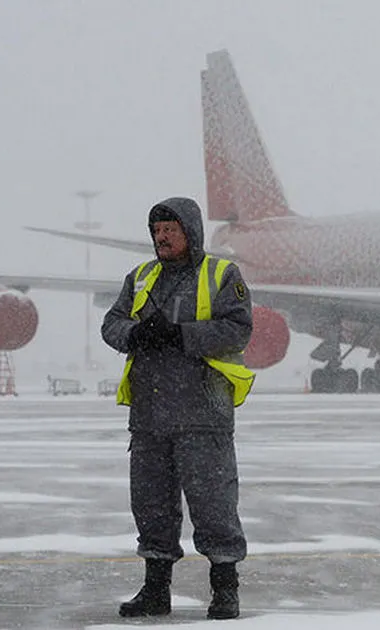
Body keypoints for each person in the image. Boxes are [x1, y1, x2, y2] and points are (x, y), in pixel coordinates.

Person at [101, 196, 255, 620]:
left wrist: (181, 335)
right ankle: (156, 590)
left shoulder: (221, 274)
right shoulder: (140, 277)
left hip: (203, 412)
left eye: (170, 229)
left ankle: (225, 590)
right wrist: (135, 335)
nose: (162, 237)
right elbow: (111, 323)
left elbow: (238, 329)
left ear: (191, 231)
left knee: (214, 505)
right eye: (156, 231)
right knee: (150, 505)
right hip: (150, 416)